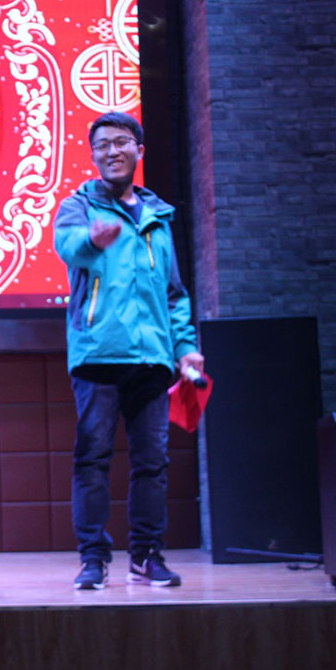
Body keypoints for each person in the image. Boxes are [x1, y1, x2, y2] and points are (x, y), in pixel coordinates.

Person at [52, 111, 205, 590]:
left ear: (139, 150)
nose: (111, 151)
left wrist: (185, 348)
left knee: (152, 463)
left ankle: (146, 554)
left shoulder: (158, 217)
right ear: (93, 155)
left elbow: (174, 294)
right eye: (101, 145)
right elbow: (68, 247)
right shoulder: (78, 206)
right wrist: (91, 240)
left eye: (120, 142)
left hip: (152, 359)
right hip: (98, 355)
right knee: (92, 459)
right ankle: (93, 559)